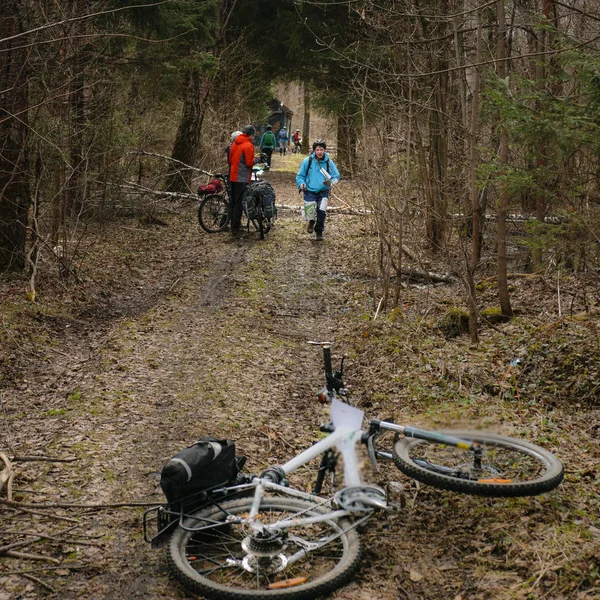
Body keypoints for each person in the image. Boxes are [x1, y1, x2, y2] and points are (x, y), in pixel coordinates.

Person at [296, 139, 340, 241]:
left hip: (323, 191)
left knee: (321, 211)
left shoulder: (329, 162)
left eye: (321, 149)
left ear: (324, 150)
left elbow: (336, 176)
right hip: (310, 190)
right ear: (314, 151)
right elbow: (300, 176)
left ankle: (319, 231)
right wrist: (301, 184)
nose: (319, 152)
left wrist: (331, 182)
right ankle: (311, 221)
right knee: (310, 212)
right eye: (317, 149)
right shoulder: (308, 161)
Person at [228, 125, 257, 237]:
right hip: (242, 178)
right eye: (253, 135)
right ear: (250, 135)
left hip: (233, 176)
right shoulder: (248, 145)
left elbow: (231, 160)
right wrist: (258, 159)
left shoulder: (235, 143)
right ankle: (235, 228)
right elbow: (249, 162)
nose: (254, 137)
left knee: (234, 202)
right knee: (239, 204)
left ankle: (233, 225)